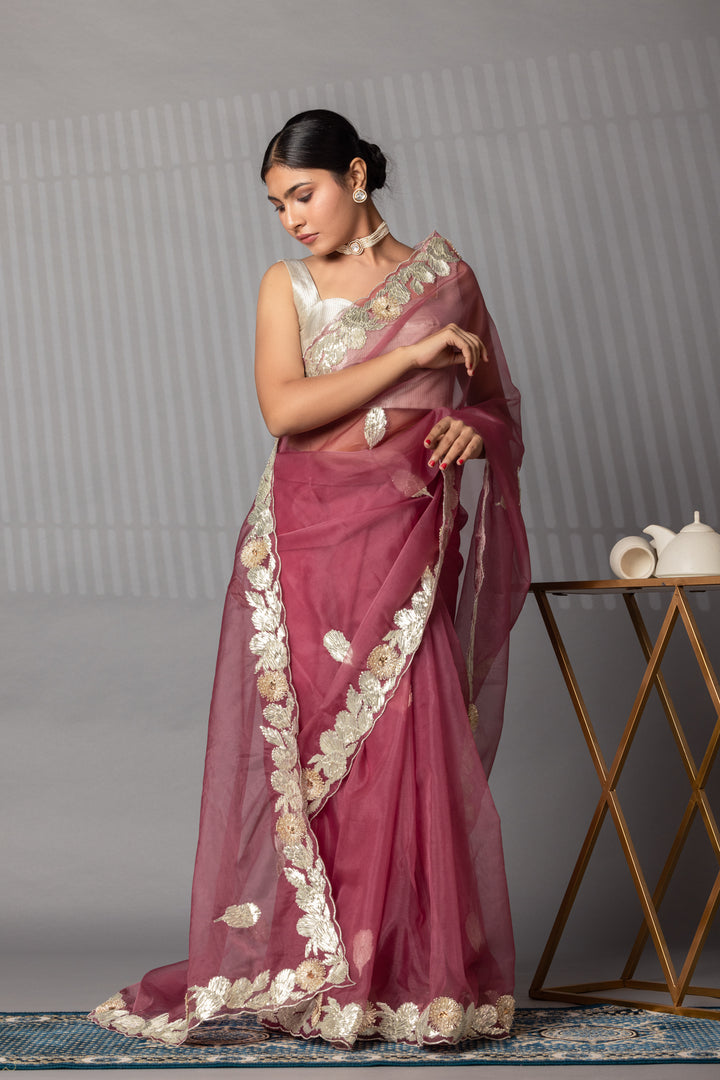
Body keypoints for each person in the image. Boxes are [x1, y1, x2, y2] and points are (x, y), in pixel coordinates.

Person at [89, 110, 530, 1049]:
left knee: (405, 738)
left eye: (304, 193)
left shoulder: (448, 280)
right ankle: (316, 969)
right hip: (305, 544)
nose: (292, 217)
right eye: (277, 204)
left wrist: (474, 428)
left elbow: (496, 402)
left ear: (357, 176)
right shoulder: (285, 285)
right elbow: (283, 409)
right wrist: (407, 358)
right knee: (308, 754)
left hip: (405, 544)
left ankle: (401, 976)